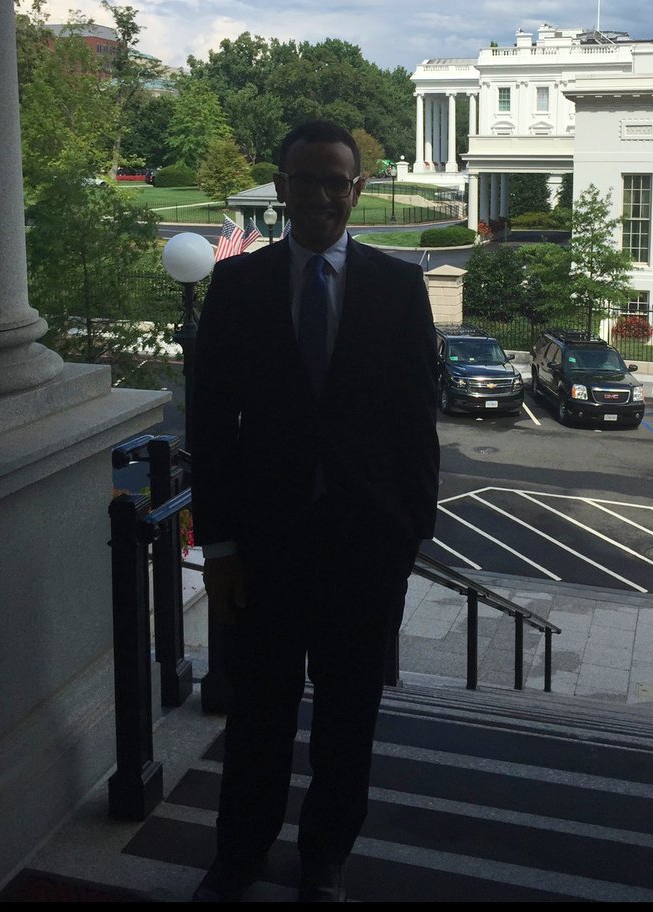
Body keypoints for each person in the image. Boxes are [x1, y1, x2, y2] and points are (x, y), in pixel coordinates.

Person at [189, 119, 440, 903]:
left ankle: (325, 857)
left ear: (357, 189)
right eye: (307, 180)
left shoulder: (399, 289)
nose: (324, 195)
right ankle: (239, 855)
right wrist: (220, 546)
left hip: (365, 552)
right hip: (263, 550)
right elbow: (209, 427)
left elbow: (414, 426)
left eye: (338, 181)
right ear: (282, 188)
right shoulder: (237, 287)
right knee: (257, 718)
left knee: (347, 720)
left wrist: (409, 537)